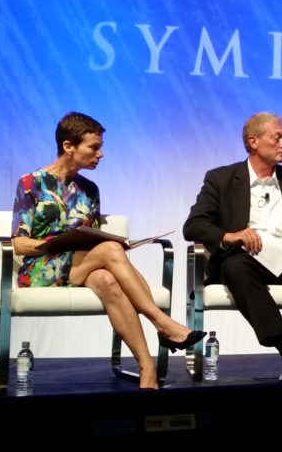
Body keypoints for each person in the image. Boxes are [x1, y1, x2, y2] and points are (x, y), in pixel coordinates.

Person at [11, 112, 205, 390]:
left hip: (81, 265)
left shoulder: (89, 190)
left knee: (107, 280)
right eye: (93, 147)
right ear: (69, 147)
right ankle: (162, 322)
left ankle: (146, 368)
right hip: (40, 269)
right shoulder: (31, 183)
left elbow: (91, 237)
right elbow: (19, 243)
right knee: (112, 249)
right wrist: (52, 244)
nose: (100, 154)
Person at [183, 112, 282, 380]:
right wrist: (231, 236)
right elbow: (194, 225)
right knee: (235, 268)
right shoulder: (221, 178)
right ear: (254, 141)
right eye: (278, 138)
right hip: (244, 258)